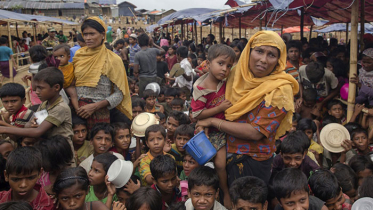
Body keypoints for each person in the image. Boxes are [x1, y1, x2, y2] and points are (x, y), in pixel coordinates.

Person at [196, 31, 299, 185]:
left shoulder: (281, 90)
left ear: (279, 60)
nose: (263, 60)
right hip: (220, 152)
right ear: (249, 51)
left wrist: (212, 122)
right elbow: (205, 95)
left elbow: (256, 132)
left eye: (271, 55)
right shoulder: (233, 74)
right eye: (259, 51)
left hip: (253, 160)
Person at [0, 67, 76, 165]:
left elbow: (37, 131)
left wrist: (4, 129)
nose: (36, 91)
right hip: (49, 151)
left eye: (41, 88)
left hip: (62, 154)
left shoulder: (61, 108)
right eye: (36, 88)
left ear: (56, 87)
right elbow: (30, 126)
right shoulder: (44, 104)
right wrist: (31, 125)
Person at [191, 44, 236, 208]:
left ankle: (224, 192)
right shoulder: (201, 89)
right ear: (208, 64)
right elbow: (196, 115)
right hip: (212, 132)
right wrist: (218, 109)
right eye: (221, 63)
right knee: (217, 164)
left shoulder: (225, 82)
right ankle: (219, 193)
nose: (225, 69)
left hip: (225, 128)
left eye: (229, 66)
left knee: (222, 164)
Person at [72, 17, 132, 131]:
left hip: (100, 113)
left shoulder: (113, 59)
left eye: (92, 34)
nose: (88, 38)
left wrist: (94, 106)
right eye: (85, 34)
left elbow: (120, 94)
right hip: (78, 112)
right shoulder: (79, 56)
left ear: (103, 34)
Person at [134, 33, 165, 97]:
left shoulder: (137, 55)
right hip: (153, 78)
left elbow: (135, 71)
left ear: (138, 43)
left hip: (143, 79)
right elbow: (163, 51)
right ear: (148, 42)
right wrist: (153, 44)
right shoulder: (154, 50)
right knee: (153, 96)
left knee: (143, 97)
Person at [53, 44, 79, 111]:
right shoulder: (56, 68)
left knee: (73, 94)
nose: (58, 59)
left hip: (70, 85)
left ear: (69, 57)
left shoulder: (72, 65)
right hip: (60, 87)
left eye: (61, 56)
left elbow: (75, 75)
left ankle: (77, 109)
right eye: (56, 57)